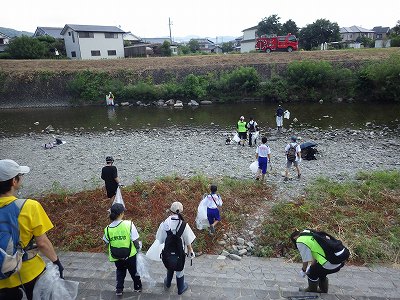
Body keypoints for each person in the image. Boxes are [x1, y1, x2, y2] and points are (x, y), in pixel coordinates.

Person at [0, 159, 64, 300]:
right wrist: (56, 262)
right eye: (20, 176)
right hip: (28, 271)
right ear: (14, 181)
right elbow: (42, 243)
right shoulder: (29, 206)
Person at [156, 202, 195, 295]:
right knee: (179, 268)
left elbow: (160, 240)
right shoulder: (184, 224)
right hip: (180, 252)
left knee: (170, 264)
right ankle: (180, 287)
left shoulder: (164, 223)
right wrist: (191, 250)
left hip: (168, 252)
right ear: (181, 211)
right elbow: (188, 241)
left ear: (171, 210)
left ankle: (168, 283)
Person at [103, 203, 142, 296]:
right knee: (133, 271)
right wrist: (138, 248)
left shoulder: (108, 229)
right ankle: (137, 287)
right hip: (130, 255)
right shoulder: (129, 224)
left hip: (116, 256)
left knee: (120, 271)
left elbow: (106, 242)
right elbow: (135, 241)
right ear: (121, 214)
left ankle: (119, 289)